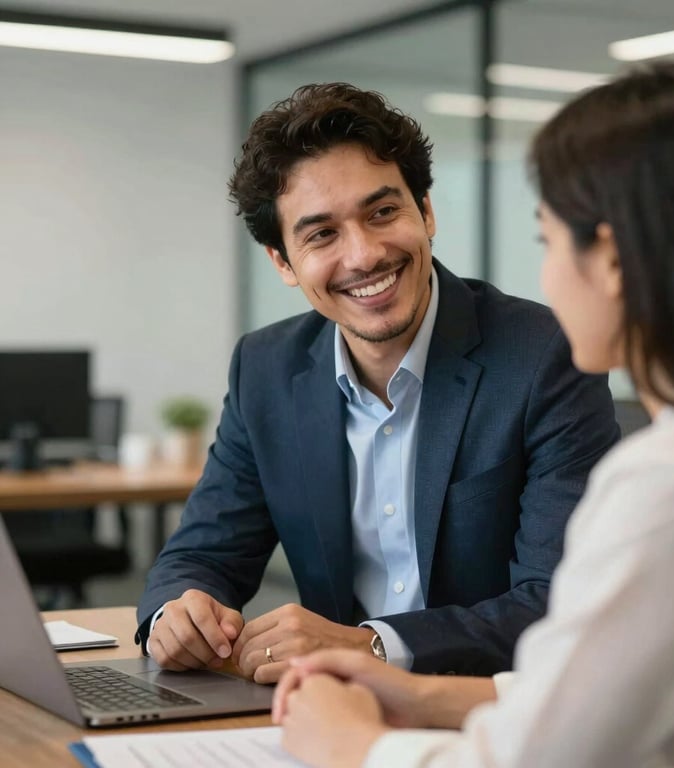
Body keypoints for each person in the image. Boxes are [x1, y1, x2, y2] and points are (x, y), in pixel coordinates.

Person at [272, 62, 674, 767]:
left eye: (547, 239)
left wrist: (352, 745)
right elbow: (601, 687)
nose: (544, 277)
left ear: (615, 260)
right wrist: (420, 696)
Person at [136, 82, 618, 682]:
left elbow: (560, 599)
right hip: (331, 713)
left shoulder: (544, 353)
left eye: (383, 212)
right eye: (321, 234)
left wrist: (371, 647)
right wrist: (176, 615)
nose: (364, 255)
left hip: (493, 710)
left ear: (427, 211)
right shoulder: (266, 368)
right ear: (282, 262)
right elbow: (203, 553)